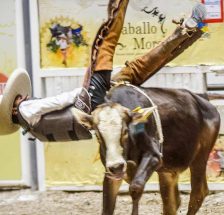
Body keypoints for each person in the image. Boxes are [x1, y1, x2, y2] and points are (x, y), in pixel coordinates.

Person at [0, 0, 207, 141]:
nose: (22, 97)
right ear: (13, 109)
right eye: (16, 99)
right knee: (105, 42)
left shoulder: (32, 128)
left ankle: (188, 30)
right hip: (90, 101)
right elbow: (58, 102)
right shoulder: (28, 109)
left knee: (136, 71)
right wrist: (85, 87)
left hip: (97, 114)